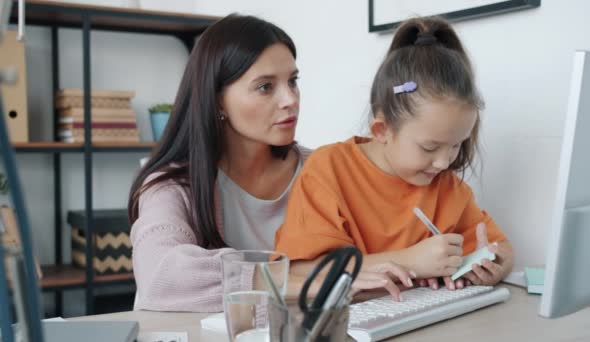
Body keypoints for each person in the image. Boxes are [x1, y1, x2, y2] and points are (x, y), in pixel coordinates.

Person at [275, 17, 514, 300]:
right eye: (429, 148)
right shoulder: (329, 169)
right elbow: (300, 270)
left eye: (455, 146)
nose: (443, 163)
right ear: (382, 130)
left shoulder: (448, 189)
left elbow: (503, 249)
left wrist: (493, 264)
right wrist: (411, 261)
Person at [127, 14, 309, 312]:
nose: (290, 99)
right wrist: (295, 279)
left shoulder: (319, 168)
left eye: (293, 81)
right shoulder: (171, 185)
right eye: (265, 87)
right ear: (217, 101)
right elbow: (161, 274)